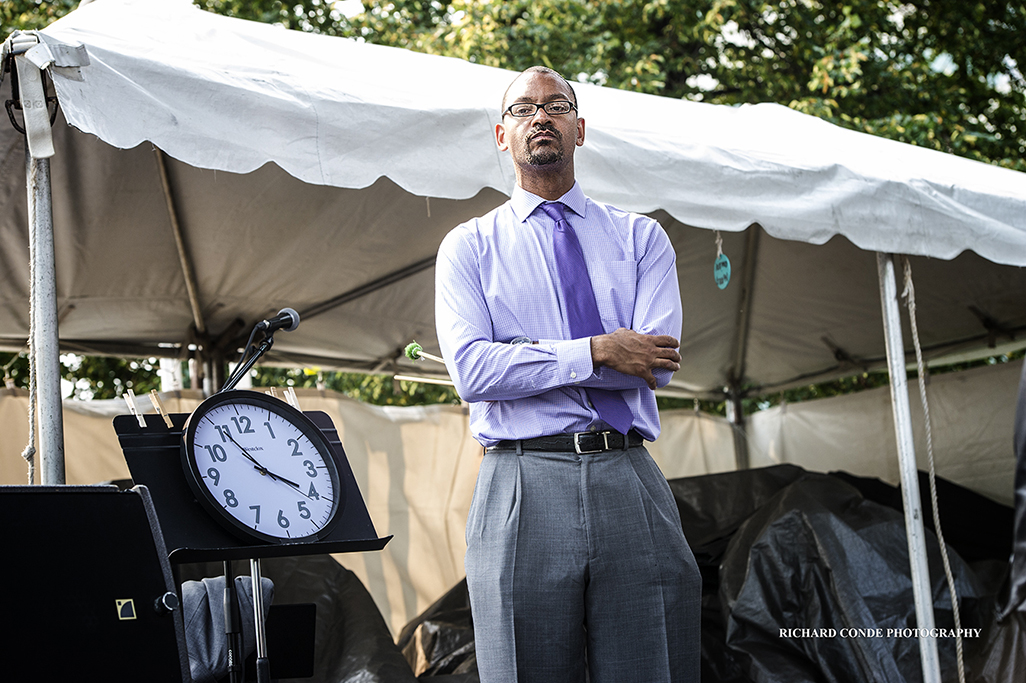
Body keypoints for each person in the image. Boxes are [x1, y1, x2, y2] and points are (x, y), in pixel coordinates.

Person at [434, 65, 701, 683]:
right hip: (521, 481)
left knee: (652, 666)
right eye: (524, 110)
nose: (541, 117)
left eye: (556, 106)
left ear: (579, 129)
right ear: (503, 136)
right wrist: (600, 351)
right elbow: (473, 372)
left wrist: (527, 357)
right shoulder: (469, 246)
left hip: (628, 473)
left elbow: (654, 366)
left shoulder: (642, 238)